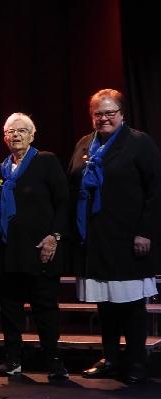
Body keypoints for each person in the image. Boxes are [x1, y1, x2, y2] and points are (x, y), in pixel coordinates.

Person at [70, 89, 161, 384]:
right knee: (105, 304)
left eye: (110, 112)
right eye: (98, 113)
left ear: (121, 114)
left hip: (129, 237)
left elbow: (155, 190)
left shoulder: (139, 142)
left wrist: (145, 231)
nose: (104, 118)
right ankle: (110, 358)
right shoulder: (85, 143)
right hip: (95, 238)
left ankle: (136, 362)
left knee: (132, 304)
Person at [0, 113, 69, 380]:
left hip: (38, 250)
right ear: (4, 137)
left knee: (45, 308)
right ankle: (13, 359)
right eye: (11, 131)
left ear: (32, 135)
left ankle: (53, 360)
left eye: (22, 130)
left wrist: (54, 236)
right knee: (10, 310)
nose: (16, 135)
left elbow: (63, 202)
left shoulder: (45, 161)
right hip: (5, 253)